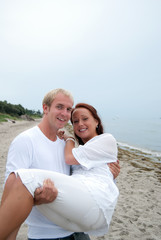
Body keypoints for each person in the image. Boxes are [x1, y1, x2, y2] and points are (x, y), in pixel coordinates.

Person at [1, 88, 120, 240]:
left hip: (78, 232)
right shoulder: (25, 140)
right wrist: (38, 199)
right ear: (45, 108)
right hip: (46, 235)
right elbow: (12, 192)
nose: (64, 113)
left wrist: (110, 174)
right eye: (59, 107)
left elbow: (84, 180)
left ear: (96, 121)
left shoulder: (66, 147)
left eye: (68, 109)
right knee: (20, 179)